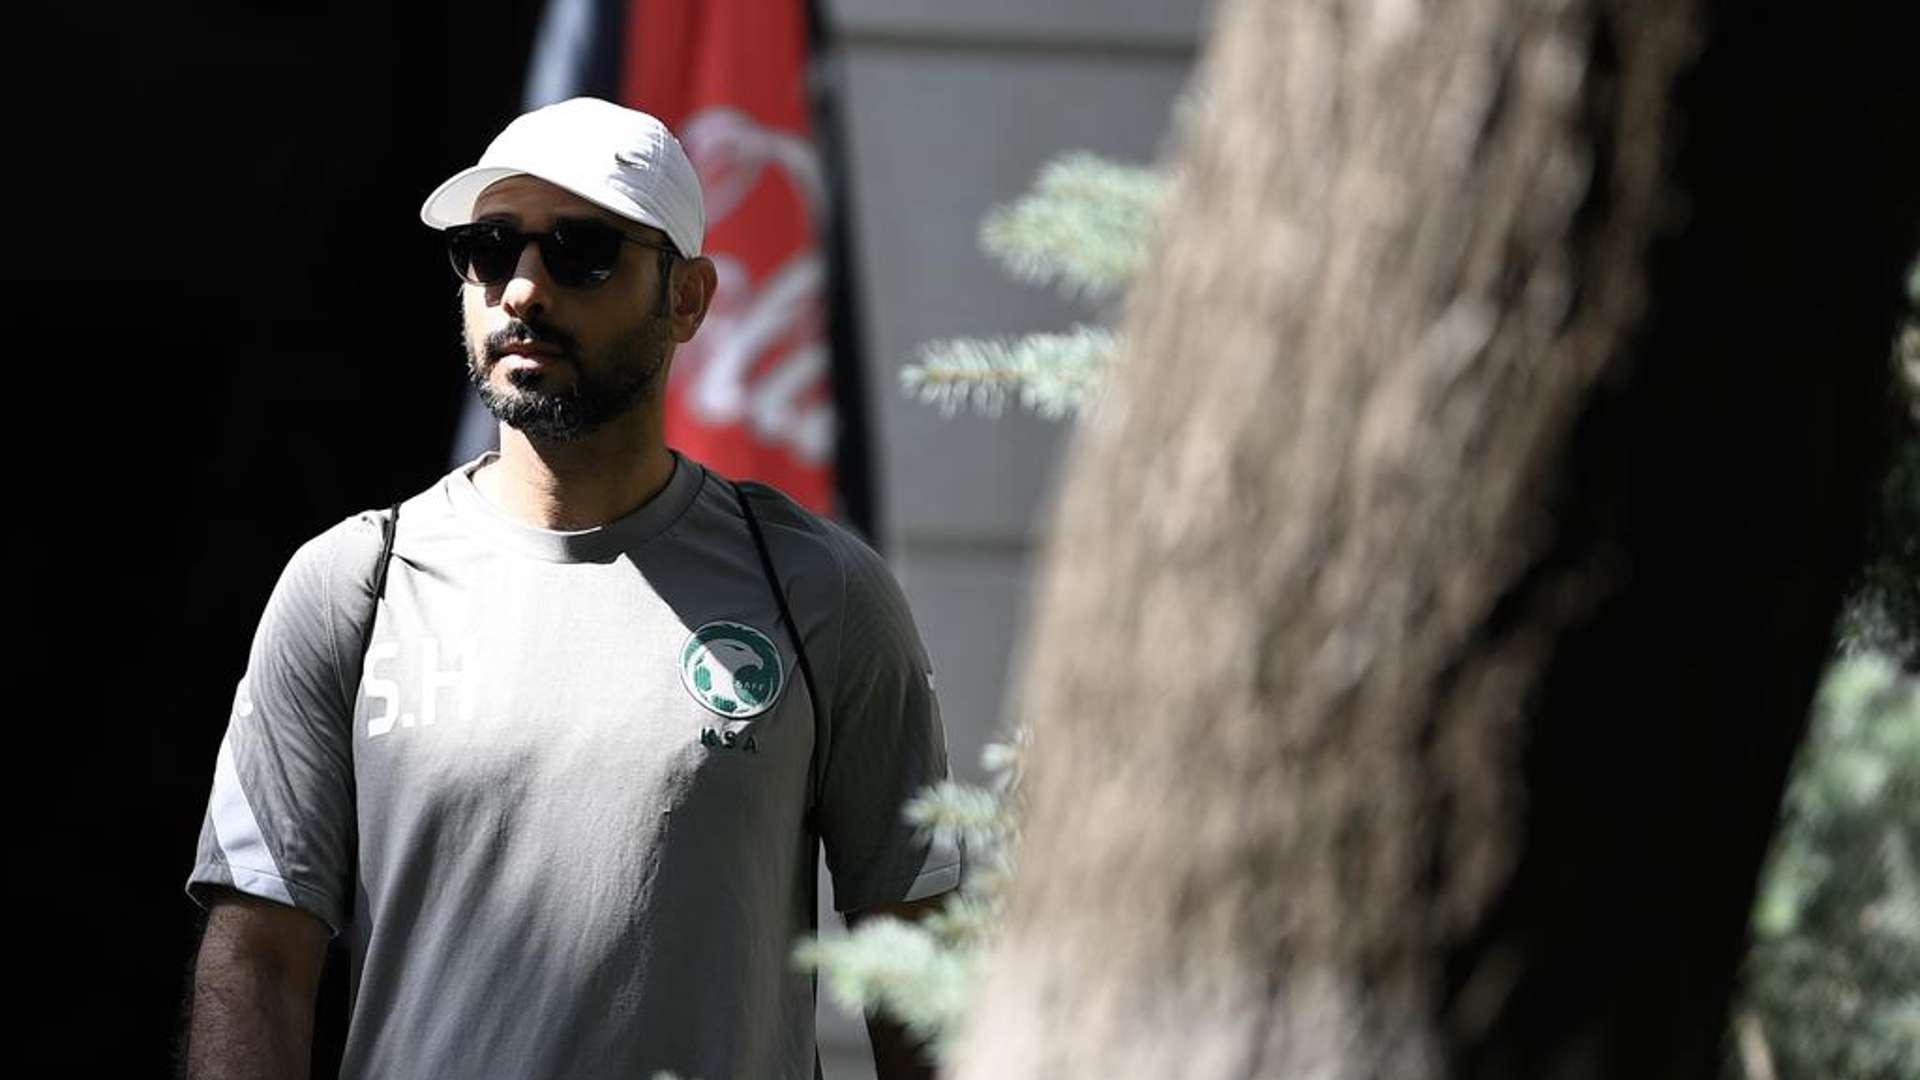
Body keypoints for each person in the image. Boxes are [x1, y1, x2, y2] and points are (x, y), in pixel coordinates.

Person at [183, 97, 958, 1080]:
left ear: (688, 299)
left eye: (582, 251)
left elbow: (923, 962)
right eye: (492, 247)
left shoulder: (822, 590)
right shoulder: (351, 586)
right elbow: (256, 961)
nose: (522, 289)